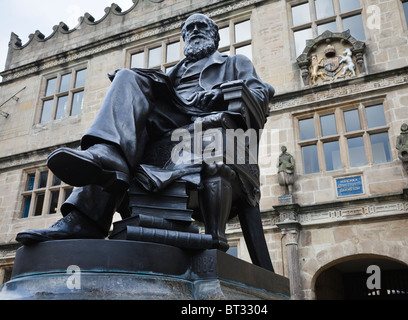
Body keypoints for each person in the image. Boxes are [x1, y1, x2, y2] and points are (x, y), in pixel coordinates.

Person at [16, 14, 273, 255]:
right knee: (127, 76)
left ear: (215, 37)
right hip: (170, 119)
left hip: (205, 121)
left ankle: (92, 205)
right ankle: (94, 189)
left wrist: (220, 95)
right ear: (183, 39)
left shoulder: (234, 63)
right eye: (188, 29)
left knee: (131, 107)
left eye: (201, 26)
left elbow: (261, 94)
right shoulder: (173, 74)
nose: (194, 31)